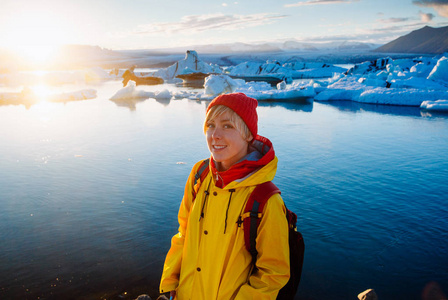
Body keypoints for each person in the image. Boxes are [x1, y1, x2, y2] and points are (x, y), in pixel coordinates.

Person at [159, 93, 290, 299]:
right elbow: (184, 232)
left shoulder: (265, 200)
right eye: (210, 125)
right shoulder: (199, 174)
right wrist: (171, 281)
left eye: (227, 126)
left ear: (248, 134)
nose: (215, 135)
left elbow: (273, 274)